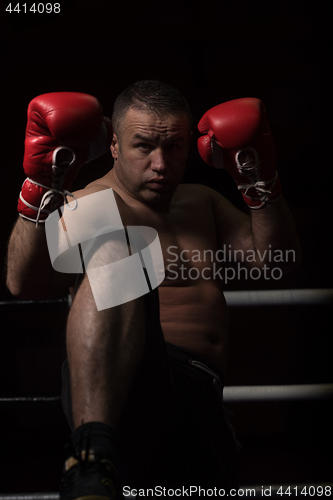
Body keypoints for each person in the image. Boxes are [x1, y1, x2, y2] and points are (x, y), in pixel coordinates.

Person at [6, 81, 301, 499]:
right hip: (134, 388)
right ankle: (89, 456)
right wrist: (39, 187)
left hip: (202, 399)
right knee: (119, 248)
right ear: (112, 144)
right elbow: (25, 284)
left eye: (175, 147)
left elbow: (276, 264)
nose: (160, 164)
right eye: (143, 146)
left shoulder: (202, 201)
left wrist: (259, 178)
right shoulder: (93, 203)